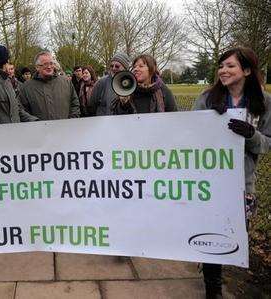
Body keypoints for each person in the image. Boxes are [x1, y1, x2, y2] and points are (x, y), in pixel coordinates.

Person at [193, 47, 271, 299]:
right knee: (209, 236)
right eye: (221, 66)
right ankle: (212, 288)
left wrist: (251, 135)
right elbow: (189, 136)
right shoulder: (206, 99)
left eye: (230, 66)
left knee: (233, 236)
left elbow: (268, 143)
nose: (223, 71)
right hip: (209, 182)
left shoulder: (264, 102)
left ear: (247, 70)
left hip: (242, 185)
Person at [0, 43, 38, 124]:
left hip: (15, 133)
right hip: (3, 135)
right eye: (7, 61)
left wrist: (36, 121)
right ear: (4, 62)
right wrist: (5, 132)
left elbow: (17, 110)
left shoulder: (7, 81)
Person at [18, 51, 80, 120]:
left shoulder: (66, 82)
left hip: (64, 128)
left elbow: (75, 104)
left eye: (51, 63)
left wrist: (71, 121)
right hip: (39, 129)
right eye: (45, 64)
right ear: (37, 67)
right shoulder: (26, 87)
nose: (49, 67)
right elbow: (20, 109)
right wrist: (34, 121)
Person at [111, 54, 177, 114]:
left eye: (141, 66)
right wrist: (123, 105)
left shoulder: (164, 91)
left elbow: (173, 116)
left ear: (151, 69)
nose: (136, 69)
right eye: (134, 67)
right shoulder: (128, 91)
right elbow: (118, 116)